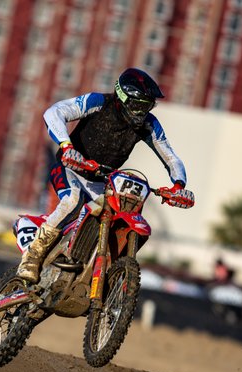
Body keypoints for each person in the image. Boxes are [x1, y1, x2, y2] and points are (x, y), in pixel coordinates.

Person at [17, 67, 195, 283]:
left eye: (147, 107)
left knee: (121, 211)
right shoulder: (99, 102)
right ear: (123, 97)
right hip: (69, 169)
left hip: (103, 182)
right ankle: (33, 256)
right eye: (138, 106)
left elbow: (171, 157)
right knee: (73, 200)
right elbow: (54, 113)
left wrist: (178, 186)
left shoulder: (149, 124)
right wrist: (66, 146)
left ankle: (98, 270)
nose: (142, 113)